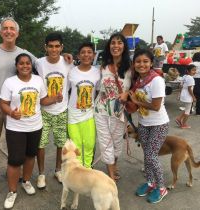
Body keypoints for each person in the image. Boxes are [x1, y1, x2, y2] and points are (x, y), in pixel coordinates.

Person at [0, 17, 37, 204]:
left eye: (13, 28)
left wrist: (66, 58)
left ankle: (13, 173)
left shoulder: (24, 54)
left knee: (15, 145)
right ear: (1, 31)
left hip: (16, 107)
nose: (9, 31)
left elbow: (44, 63)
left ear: (17, 33)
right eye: (6, 28)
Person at [0, 53, 62, 209]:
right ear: (17, 66)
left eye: (28, 63)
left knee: (30, 155)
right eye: (21, 63)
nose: (25, 66)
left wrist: (55, 98)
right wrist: (11, 112)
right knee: (15, 160)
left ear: (31, 65)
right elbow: (3, 103)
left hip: (35, 126)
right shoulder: (10, 82)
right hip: (16, 128)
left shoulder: (38, 80)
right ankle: (12, 191)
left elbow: (43, 100)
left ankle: (26, 181)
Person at [129, 49, 169, 204]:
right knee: (147, 154)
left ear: (151, 63)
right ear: (134, 64)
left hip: (159, 124)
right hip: (144, 123)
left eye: (145, 61)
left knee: (152, 155)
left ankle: (161, 187)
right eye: (138, 61)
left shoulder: (156, 80)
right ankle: (150, 182)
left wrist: (136, 102)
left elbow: (156, 106)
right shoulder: (138, 81)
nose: (142, 64)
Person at [35, 33, 73, 189]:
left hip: (62, 110)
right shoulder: (38, 63)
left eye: (57, 46)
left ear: (62, 47)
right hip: (43, 110)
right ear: (45, 47)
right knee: (41, 144)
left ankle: (58, 170)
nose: (54, 49)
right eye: (50, 46)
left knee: (60, 144)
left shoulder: (68, 63)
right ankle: (41, 174)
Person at [94, 33, 131, 181]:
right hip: (101, 110)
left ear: (124, 46)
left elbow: (138, 86)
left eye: (119, 43)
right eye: (113, 43)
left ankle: (113, 166)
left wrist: (127, 93)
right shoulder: (102, 67)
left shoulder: (130, 67)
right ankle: (110, 175)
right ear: (109, 46)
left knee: (116, 143)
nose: (116, 46)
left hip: (119, 112)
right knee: (105, 142)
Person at [67, 42, 100, 168]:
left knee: (89, 144)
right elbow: (67, 91)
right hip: (73, 115)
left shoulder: (97, 72)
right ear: (78, 56)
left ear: (93, 55)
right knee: (75, 146)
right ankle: (78, 170)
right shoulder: (71, 72)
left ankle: (87, 169)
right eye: (83, 52)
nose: (86, 55)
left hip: (89, 115)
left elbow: (97, 92)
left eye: (89, 52)